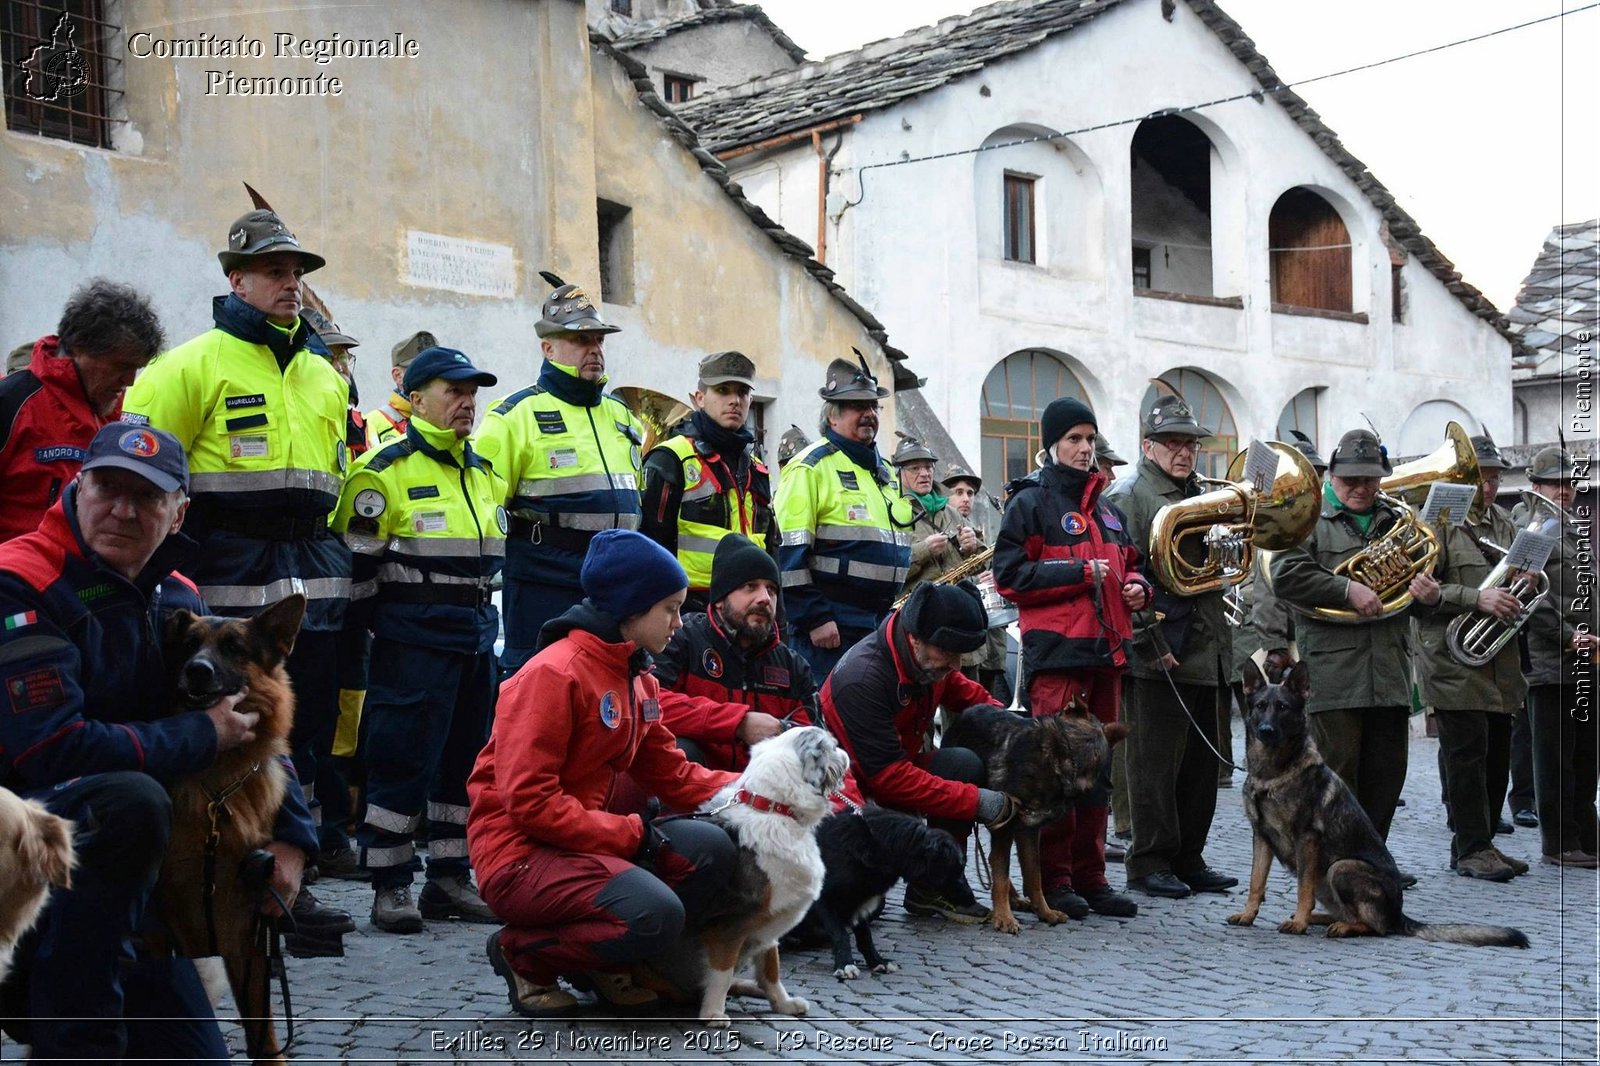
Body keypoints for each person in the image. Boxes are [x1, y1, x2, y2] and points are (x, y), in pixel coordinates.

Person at [0, 422, 320, 1060]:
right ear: (78, 486)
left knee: (194, 1059)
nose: (123, 510)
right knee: (131, 800)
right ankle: (68, 1035)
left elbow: (253, 711)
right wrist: (200, 734)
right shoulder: (20, 581)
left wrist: (292, 835)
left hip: (128, 877)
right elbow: (50, 749)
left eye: (146, 497)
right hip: (26, 828)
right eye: (108, 488)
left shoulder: (177, 595)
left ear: (178, 514)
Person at [122, 209, 358, 882]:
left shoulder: (323, 375)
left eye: (297, 273)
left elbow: (332, 484)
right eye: (274, 272)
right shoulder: (186, 367)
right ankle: (215, 868)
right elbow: (143, 481)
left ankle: (290, 866)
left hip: (307, 586)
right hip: (218, 583)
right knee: (219, 732)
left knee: (299, 735)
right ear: (237, 280)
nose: (291, 285)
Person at [466, 529, 740, 1015]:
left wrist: (757, 793)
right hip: (520, 856)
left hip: (581, 843)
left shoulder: (637, 677)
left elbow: (675, 774)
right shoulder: (552, 674)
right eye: (671, 608)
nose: (680, 622)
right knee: (655, 914)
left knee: (715, 848)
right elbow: (530, 804)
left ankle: (616, 958)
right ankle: (523, 955)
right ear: (631, 610)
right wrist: (633, 836)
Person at [333, 347, 507, 931]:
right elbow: (356, 578)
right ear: (415, 397)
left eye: (471, 390)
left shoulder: (483, 472)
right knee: (400, 762)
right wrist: (358, 649)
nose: (467, 401)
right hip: (411, 648)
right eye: (453, 389)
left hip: (476, 644)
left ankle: (450, 879)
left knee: (462, 766)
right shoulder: (381, 473)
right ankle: (390, 884)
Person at [994, 397, 1150, 920]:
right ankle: (1054, 881)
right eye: (1074, 440)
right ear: (1052, 446)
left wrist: (1137, 590)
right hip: (1059, 656)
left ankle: (1092, 876)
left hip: (1106, 653)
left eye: (1089, 439)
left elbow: (1133, 567)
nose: (1085, 449)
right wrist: (1079, 575)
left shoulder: (1107, 509)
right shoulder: (1030, 504)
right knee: (1055, 772)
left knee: (1099, 773)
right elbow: (1010, 577)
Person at [474, 276, 643, 676]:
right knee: (540, 696)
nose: (595, 350)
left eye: (599, 340)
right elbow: (482, 509)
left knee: (608, 697)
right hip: (544, 587)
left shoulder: (621, 416)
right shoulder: (513, 416)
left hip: (612, 587)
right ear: (547, 348)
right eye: (582, 341)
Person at [1104, 394, 1235, 899]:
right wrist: (1147, 640)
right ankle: (1149, 860)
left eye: (1191, 443)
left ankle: (1188, 857)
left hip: (1207, 646)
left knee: (1202, 766)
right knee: (1154, 764)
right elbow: (1123, 577)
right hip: (1161, 647)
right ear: (1148, 445)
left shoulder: (1201, 492)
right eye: (1173, 442)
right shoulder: (1129, 494)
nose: (1184, 452)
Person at [820, 580, 1010, 923]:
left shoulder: (929, 659)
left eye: (960, 656)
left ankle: (934, 887)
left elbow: (970, 696)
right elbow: (888, 779)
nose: (955, 665)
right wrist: (976, 800)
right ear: (915, 639)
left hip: (887, 775)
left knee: (961, 764)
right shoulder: (864, 679)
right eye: (949, 655)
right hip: (849, 798)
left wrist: (1016, 727)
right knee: (864, 907)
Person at [1269, 428, 1417, 845]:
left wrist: (1429, 591)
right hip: (1336, 675)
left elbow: (1417, 584)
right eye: (1351, 479)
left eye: (1370, 478)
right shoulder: (1307, 517)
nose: (1361, 487)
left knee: (1387, 779)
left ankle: (1371, 864)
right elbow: (1285, 574)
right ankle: (1331, 876)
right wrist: (1346, 589)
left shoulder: (1396, 519)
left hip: (1389, 673)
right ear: (1331, 475)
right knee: (1334, 784)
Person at [1409, 435, 1528, 881]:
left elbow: (1515, 586)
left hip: (1498, 658)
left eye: (1497, 479)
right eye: (1484, 478)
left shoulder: (1503, 524)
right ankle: (1471, 848)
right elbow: (1420, 593)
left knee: (1497, 754)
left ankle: (1481, 843)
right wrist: (1475, 597)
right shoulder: (1437, 522)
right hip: (1452, 658)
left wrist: (1528, 585)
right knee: (1466, 756)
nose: (1491, 488)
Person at [773, 353, 913, 679]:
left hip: (878, 624)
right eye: (855, 406)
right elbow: (787, 554)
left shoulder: (885, 473)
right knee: (826, 723)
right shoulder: (810, 467)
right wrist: (814, 618)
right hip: (829, 630)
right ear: (832, 417)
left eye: (872, 406)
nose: (868, 414)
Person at [0, 279, 165, 542]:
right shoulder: (13, 403)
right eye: (121, 366)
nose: (130, 381)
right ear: (79, 348)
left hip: (86, 578)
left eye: (137, 368)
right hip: (17, 577)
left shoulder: (113, 416)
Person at [653, 534, 817, 770]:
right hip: (693, 792)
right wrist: (738, 723)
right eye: (750, 587)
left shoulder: (792, 666)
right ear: (720, 599)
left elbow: (817, 746)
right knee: (680, 748)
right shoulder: (681, 639)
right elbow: (649, 705)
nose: (764, 599)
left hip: (766, 796)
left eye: (771, 590)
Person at [641, 351, 776, 616]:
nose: (735, 400)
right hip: (688, 610)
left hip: (749, 611)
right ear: (699, 398)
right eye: (723, 390)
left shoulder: (757, 467)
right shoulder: (671, 459)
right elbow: (651, 543)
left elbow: (771, 547)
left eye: (743, 392)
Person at [1516, 447, 1598, 867]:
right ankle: (1559, 844)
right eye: (1555, 483)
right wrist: (1567, 637)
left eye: (1568, 483)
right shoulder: (1532, 527)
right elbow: (1527, 594)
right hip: (1552, 663)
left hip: (1585, 661)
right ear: (1536, 486)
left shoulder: (1571, 528)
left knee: (1586, 758)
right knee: (1555, 762)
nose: (1564, 490)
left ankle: (1586, 838)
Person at [942, 462, 1009, 701]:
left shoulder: (977, 531)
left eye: (970, 493)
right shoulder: (941, 527)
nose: (966, 499)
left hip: (989, 632)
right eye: (958, 492)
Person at [365, 330, 436, 449]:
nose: (430, 376)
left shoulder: (448, 422)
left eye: (436, 370)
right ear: (398, 376)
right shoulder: (371, 423)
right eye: (420, 369)